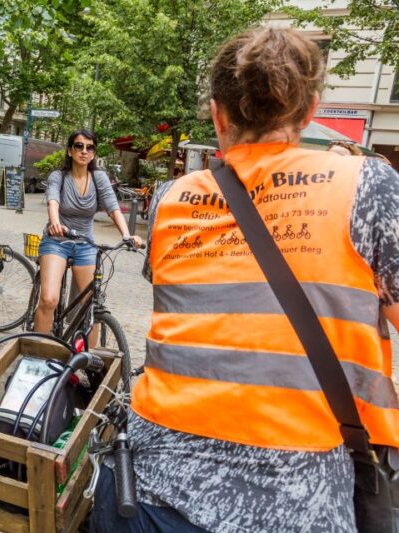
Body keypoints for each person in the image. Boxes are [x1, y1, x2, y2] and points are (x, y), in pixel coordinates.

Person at [91, 27, 399, 532]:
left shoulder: (171, 197)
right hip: (298, 500)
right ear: (309, 109)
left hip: (149, 491)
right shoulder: (368, 186)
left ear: (217, 113)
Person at [33, 129, 131, 335]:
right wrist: (55, 223)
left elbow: (113, 207)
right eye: (79, 146)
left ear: (94, 153)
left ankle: (90, 361)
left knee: (91, 305)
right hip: (57, 241)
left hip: (85, 244)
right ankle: (38, 352)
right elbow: (53, 201)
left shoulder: (99, 178)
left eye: (90, 147)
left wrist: (126, 235)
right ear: (70, 151)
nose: (84, 151)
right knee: (49, 298)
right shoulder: (58, 176)